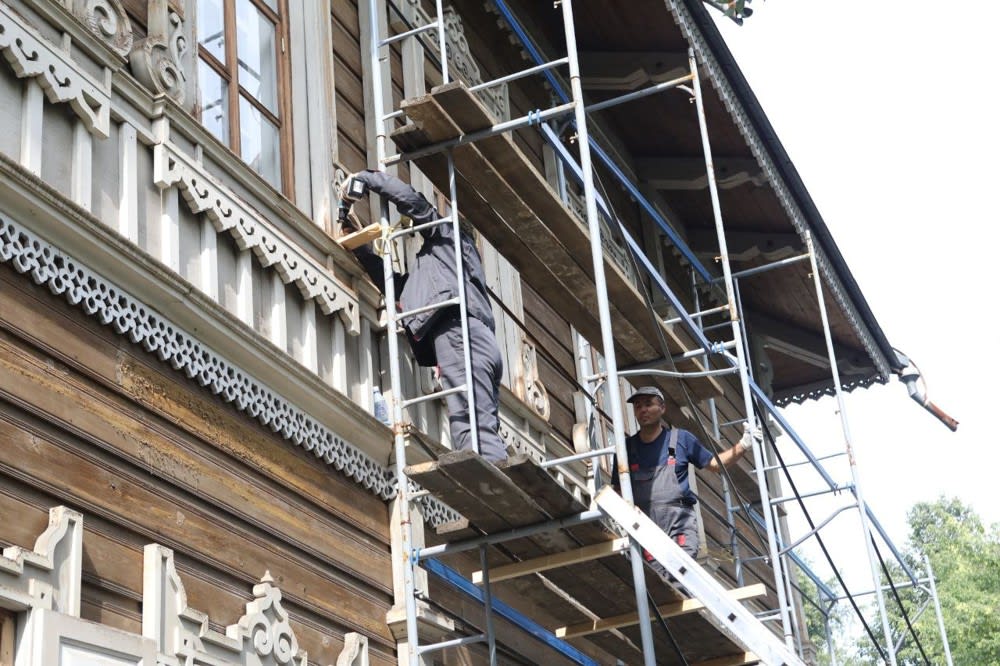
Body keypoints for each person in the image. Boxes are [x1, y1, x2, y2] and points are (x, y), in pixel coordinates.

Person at [338, 169, 507, 463]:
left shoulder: (447, 235)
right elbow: (398, 289)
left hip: (459, 333)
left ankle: (489, 482)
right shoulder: (446, 269)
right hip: (478, 340)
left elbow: (411, 200)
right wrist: (362, 251)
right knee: (481, 420)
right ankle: (495, 474)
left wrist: (365, 179)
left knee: (469, 424)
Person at [613, 386, 758, 563]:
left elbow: (714, 464)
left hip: (678, 523)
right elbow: (618, 490)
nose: (643, 409)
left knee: (680, 569)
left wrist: (743, 445)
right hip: (644, 525)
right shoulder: (626, 449)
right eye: (638, 406)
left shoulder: (681, 439)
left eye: (648, 404)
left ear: (662, 408)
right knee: (653, 576)